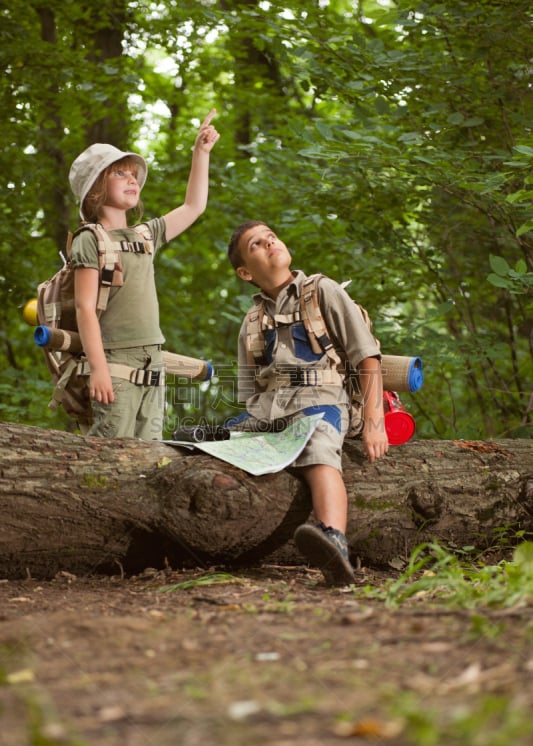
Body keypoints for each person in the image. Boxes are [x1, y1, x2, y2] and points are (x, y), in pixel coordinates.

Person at [226, 220, 389, 586]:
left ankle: (333, 540)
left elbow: (368, 358)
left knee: (317, 449)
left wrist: (375, 422)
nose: (270, 243)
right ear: (244, 272)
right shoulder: (253, 321)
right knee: (215, 438)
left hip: (322, 402)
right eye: (256, 244)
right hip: (271, 409)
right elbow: (249, 391)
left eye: (271, 236)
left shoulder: (322, 292)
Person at [68, 110, 220, 439]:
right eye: (120, 174)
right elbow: (84, 308)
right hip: (115, 364)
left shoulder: (145, 235)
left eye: (134, 174)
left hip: (154, 361)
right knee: (112, 459)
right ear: (95, 188)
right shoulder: (90, 239)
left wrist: (200, 154)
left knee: (148, 460)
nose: (132, 179)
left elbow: (194, 207)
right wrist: (98, 369)